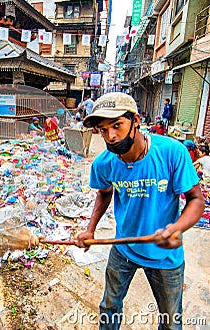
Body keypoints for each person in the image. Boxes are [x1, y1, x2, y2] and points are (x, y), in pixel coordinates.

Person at [76, 92, 204, 329]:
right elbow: (104, 193)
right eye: (103, 130)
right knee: (109, 307)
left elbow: (196, 199)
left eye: (117, 126)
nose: (111, 136)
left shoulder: (172, 152)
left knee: (170, 320)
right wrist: (90, 230)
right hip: (123, 248)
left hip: (165, 257)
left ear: (135, 120)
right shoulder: (104, 163)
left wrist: (176, 228)